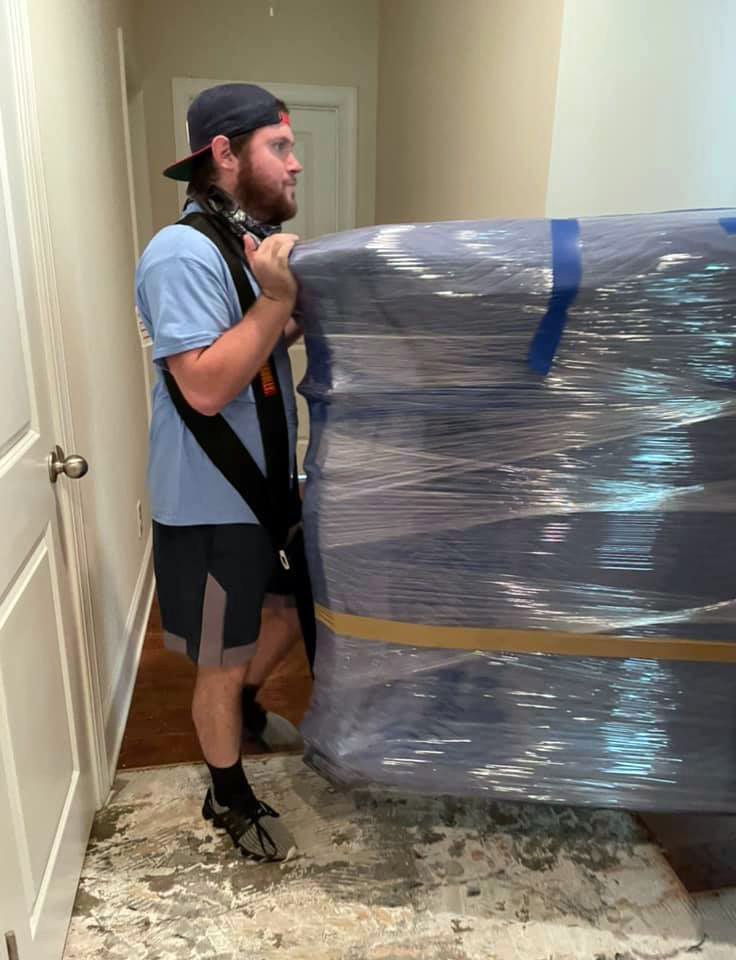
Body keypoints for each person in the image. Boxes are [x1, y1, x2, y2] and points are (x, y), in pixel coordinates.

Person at [135, 83, 306, 862]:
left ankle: (239, 708)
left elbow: (253, 341)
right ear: (224, 154)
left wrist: (287, 308)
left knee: (286, 612)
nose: (296, 164)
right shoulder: (181, 252)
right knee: (219, 653)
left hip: (263, 493)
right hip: (210, 507)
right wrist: (274, 305)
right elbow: (203, 384)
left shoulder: (237, 242)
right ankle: (225, 794)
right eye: (279, 145)